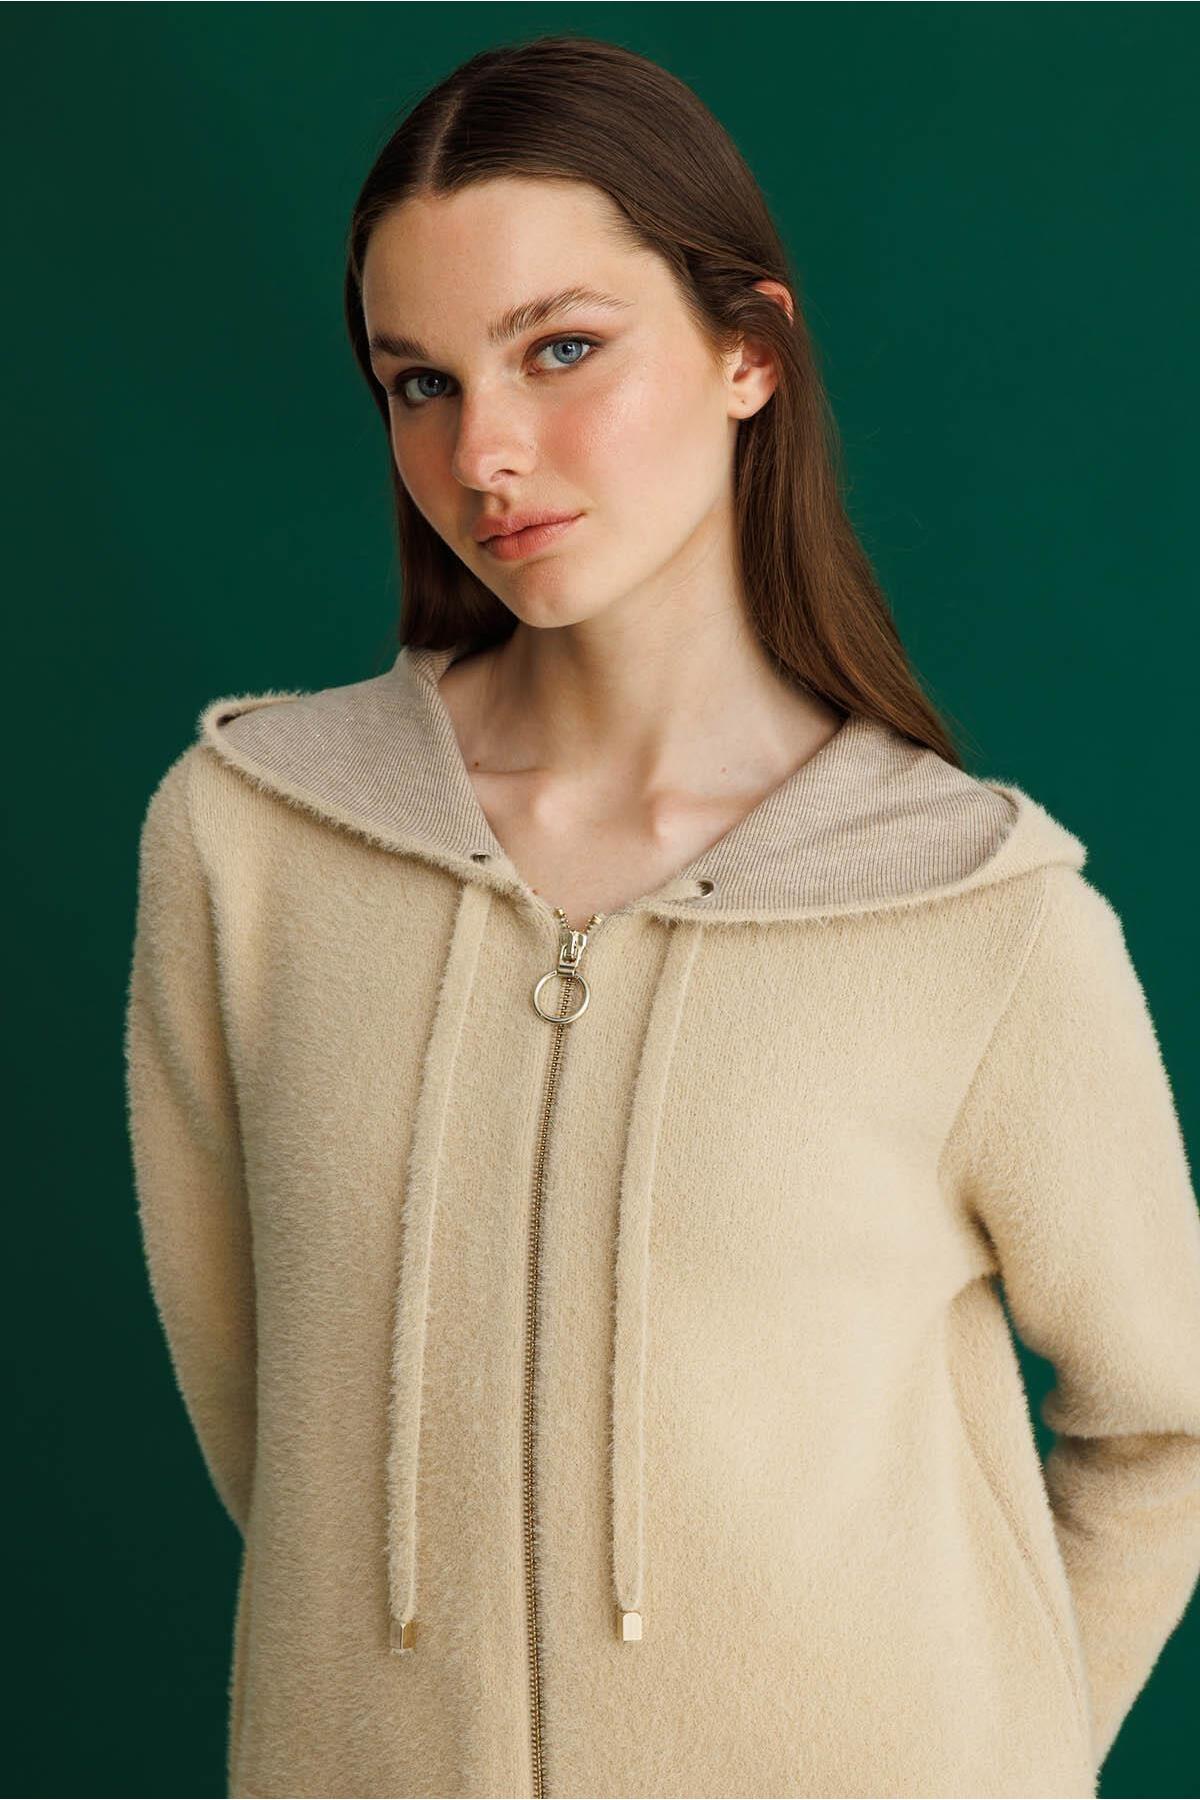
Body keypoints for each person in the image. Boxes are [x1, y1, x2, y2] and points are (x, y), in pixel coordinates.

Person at [124, 33, 1200, 1800]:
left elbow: (1170, 1428)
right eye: (419, 382)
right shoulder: (253, 847)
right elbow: (285, 1430)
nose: (486, 451)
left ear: (747, 353)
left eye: (562, 349)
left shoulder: (976, 914)